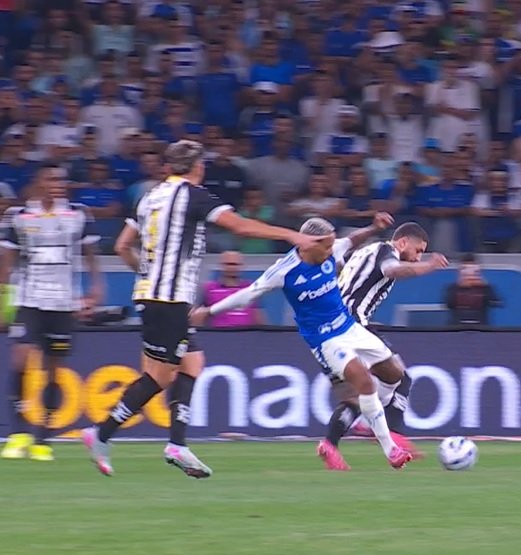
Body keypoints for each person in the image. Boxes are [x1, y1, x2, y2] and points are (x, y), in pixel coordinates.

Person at [81, 140, 329, 478]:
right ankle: (101, 433)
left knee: (193, 361)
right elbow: (239, 226)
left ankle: (177, 445)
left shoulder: (148, 197)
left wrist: (147, 274)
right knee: (159, 377)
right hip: (166, 300)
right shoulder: (193, 195)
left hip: (158, 296)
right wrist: (291, 235)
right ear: (198, 167)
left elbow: (123, 245)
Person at [192, 216, 415, 471]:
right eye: (327, 247)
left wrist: (374, 228)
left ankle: (366, 420)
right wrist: (209, 312)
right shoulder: (284, 270)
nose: (333, 251)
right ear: (308, 244)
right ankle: (391, 450)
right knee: (364, 383)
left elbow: (351, 240)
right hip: (325, 340)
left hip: (350, 327)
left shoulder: (331, 249)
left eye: (333, 245)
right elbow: (247, 294)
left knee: (396, 374)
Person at [316, 222, 449, 471]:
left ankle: (330, 444)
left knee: (357, 395)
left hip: (329, 328)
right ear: (401, 242)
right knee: (400, 378)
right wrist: (427, 266)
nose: (418, 256)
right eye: (418, 250)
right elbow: (392, 270)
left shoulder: (364, 251)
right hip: (352, 326)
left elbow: (340, 270)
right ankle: (393, 434)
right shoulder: (385, 252)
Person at [0, 164, 103, 461]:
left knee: (53, 369)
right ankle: (18, 433)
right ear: (38, 183)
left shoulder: (78, 214)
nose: (58, 183)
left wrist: (96, 286)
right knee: (20, 359)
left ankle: (43, 437)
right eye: (52, 179)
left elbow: (90, 255)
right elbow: (7, 262)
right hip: (29, 300)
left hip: (63, 303)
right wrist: (4, 296)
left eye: (62, 179)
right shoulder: (18, 217)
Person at [200, 251, 265, 328]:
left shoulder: (251, 288)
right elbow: (198, 316)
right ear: (221, 265)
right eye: (228, 264)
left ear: (241, 266)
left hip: (245, 336)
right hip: (218, 335)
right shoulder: (209, 288)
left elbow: (258, 317)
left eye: (235, 264)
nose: (232, 268)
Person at [445, 254, 501, 326]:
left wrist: (484, 287)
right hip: (457, 327)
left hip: (481, 328)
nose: (469, 273)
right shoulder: (452, 288)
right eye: (465, 269)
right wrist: (461, 287)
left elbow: (497, 302)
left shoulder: (486, 288)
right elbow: (448, 304)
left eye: (472, 269)